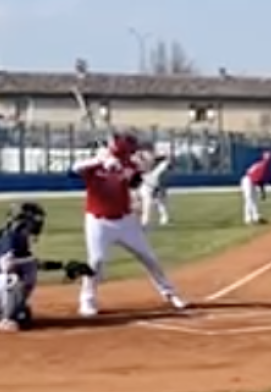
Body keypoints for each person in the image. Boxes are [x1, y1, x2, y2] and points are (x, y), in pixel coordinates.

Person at [74, 132, 189, 317]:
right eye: (129, 152)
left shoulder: (128, 165)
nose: (132, 155)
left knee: (149, 257)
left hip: (126, 221)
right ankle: (87, 301)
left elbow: (136, 181)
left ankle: (170, 293)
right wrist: (98, 162)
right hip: (98, 222)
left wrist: (121, 170)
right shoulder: (93, 164)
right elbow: (73, 170)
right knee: (96, 261)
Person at [0, 202, 95, 333]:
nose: (37, 224)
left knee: (24, 314)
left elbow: (27, 262)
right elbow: (7, 265)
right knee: (17, 277)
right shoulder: (10, 238)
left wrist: (62, 265)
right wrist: (33, 263)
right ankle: (4, 319)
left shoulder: (14, 237)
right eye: (33, 220)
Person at [241, 150, 271, 224]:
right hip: (248, 180)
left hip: (252, 181)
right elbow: (260, 181)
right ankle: (248, 219)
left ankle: (256, 217)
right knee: (249, 198)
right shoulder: (262, 166)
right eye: (270, 159)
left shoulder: (266, 168)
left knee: (254, 199)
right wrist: (263, 193)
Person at [139, 149, 174, 228]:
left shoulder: (161, 166)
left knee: (160, 203)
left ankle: (164, 219)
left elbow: (166, 165)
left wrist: (160, 189)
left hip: (154, 186)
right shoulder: (158, 165)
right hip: (147, 186)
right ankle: (145, 222)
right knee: (147, 204)